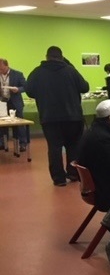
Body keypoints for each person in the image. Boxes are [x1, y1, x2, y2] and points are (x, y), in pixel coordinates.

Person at [25, 46, 90, 186]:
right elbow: (85, 87)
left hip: (49, 117)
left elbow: (29, 90)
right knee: (73, 146)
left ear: (46, 56)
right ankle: (73, 173)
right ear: (62, 57)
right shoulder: (70, 70)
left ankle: (59, 179)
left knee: (54, 148)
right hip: (73, 117)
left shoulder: (37, 72)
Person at [0, 58, 28, 151]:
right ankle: (3, 143)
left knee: (20, 124)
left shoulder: (17, 74)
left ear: (7, 66)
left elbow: (25, 86)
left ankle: (22, 144)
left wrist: (18, 89)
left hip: (15, 102)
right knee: (2, 125)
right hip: (2, 103)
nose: (1, 71)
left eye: (2, 69)